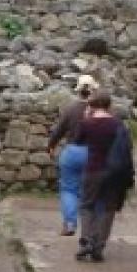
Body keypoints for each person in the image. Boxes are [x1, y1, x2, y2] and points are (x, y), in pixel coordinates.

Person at [73, 90, 136, 263]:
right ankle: (98, 245)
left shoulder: (86, 123)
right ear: (108, 105)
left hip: (92, 170)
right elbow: (127, 147)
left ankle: (86, 240)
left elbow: (77, 141)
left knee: (87, 206)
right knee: (108, 209)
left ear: (91, 106)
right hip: (113, 173)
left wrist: (86, 117)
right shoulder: (117, 124)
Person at [46, 74, 98, 236]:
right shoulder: (99, 111)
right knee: (91, 190)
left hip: (72, 151)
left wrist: (51, 146)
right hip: (93, 153)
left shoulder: (70, 109)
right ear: (93, 90)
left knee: (69, 189)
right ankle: (91, 228)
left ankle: (69, 223)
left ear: (78, 91)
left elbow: (58, 131)